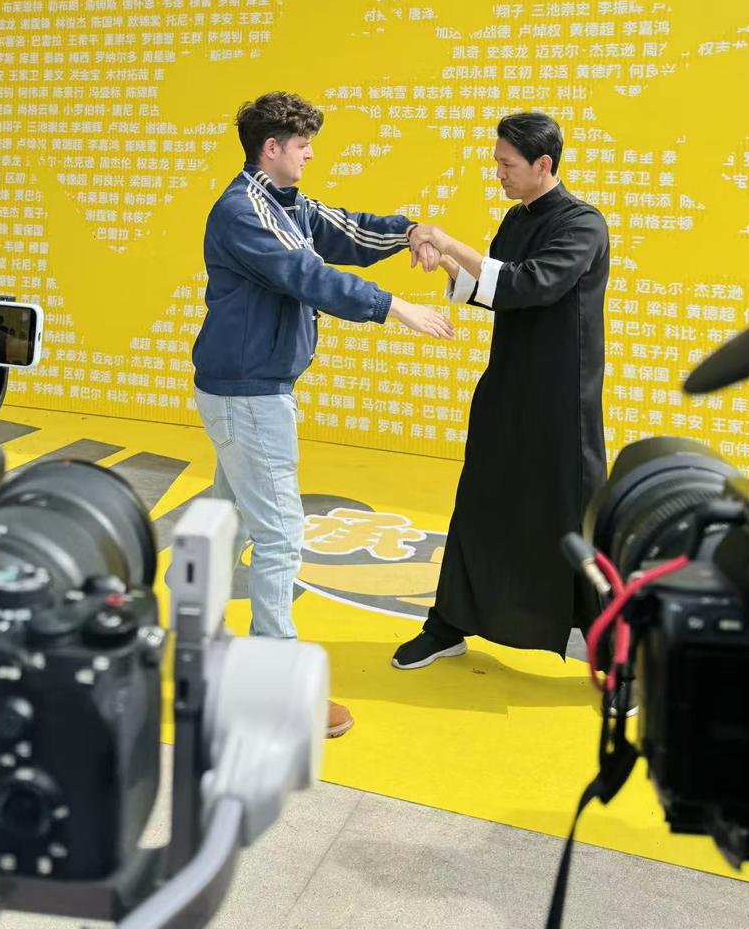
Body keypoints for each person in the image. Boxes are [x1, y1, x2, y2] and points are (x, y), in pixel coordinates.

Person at [193, 91, 453, 739]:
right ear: (271, 148)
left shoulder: (287, 204)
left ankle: (196, 650)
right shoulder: (244, 212)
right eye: (302, 144)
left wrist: (412, 231)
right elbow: (308, 274)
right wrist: (397, 308)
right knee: (280, 535)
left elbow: (346, 231)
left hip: (248, 391)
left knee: (228, 525)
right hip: (250, 396)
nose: (310, 154)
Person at [393, 111, 611, 680]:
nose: (498, 173)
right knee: (480, 501)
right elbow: (495, 291)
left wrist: (452, 242)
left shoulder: (583, 224)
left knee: (576, 520)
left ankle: (617, 654)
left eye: (507, 164)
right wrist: (445, 261)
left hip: (561, 401)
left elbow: (531, 283)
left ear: (544, 164)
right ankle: (448, 624)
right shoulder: (516, 219)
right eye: (496, 161)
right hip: (507, 385)